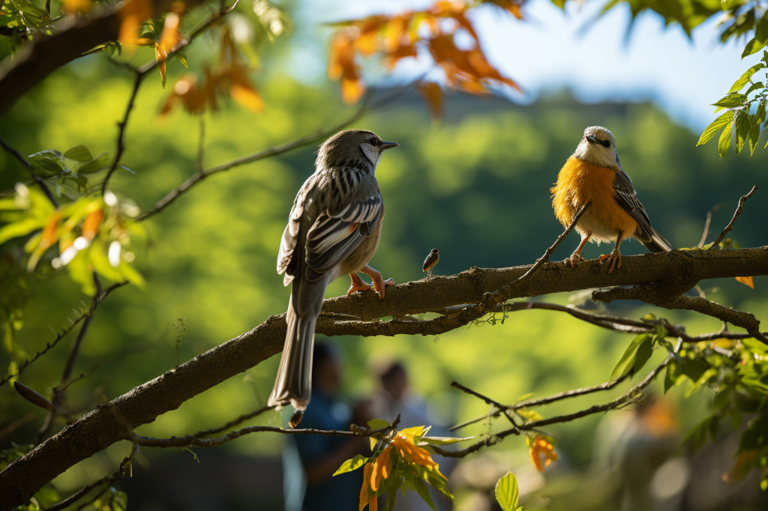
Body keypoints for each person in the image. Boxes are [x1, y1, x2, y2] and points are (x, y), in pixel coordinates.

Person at [288, 343, 373, 511]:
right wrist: (355, 442)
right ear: (321, 367)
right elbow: (314, 473)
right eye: (336, 360)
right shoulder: (305, 410)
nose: (342, 365)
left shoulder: (339, 407)